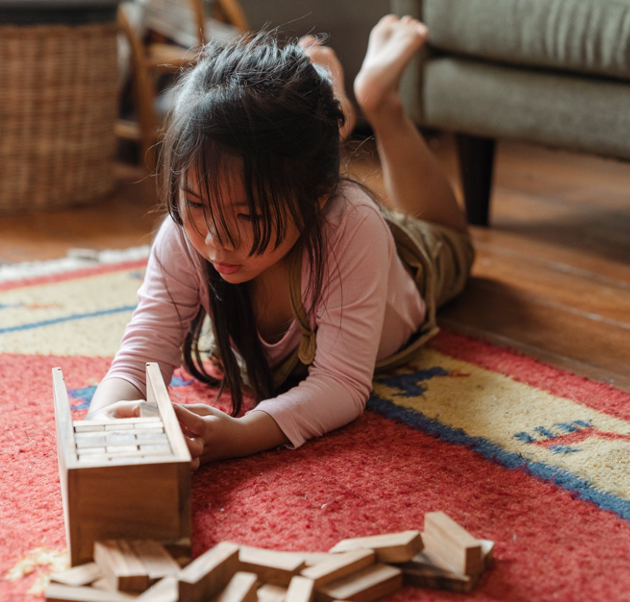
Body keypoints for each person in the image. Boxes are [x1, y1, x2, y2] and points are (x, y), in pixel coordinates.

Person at [85, 15, 474, 468]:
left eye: (248, 215)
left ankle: (378, 102)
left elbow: (342, 384)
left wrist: (243, 433)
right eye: (195, 202)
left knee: (455, 244)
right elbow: (143, 350)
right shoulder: (184, 230)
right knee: (273, 170)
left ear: (317, 198)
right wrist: (105, 417)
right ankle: (328, 115)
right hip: (301, 190)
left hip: (400, 265)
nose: (214, 241)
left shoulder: (351, 225)